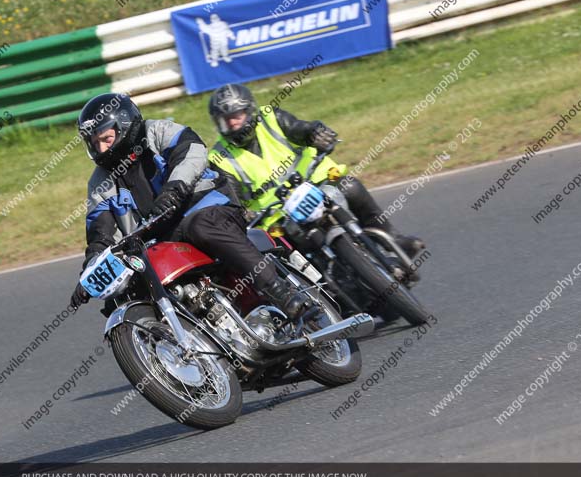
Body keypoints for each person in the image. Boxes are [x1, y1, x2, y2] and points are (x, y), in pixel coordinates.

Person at [68, 93, 309, 319]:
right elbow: (100, 232)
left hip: (207, 206)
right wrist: (91, 272)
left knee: (200, 225)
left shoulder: (157, 131)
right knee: (129, 283)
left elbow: (191, 152)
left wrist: (173, 190)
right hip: (162, 236)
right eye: (95, 143)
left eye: (106, 139)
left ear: (124, 126)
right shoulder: (100, 182)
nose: (101, 149)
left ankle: (279, 290)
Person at [206, 83, 424, 257]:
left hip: (316, 185)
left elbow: (300, 128)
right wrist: (242, 213)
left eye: (237, 115)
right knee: (279, 249)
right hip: (276, 217)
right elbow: (231, 199)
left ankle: (395, 240)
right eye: (226, 120)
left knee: (350, 187)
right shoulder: (219, 157)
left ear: (250, 111)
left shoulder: (271, 118)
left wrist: (316, 132)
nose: (233, 124)